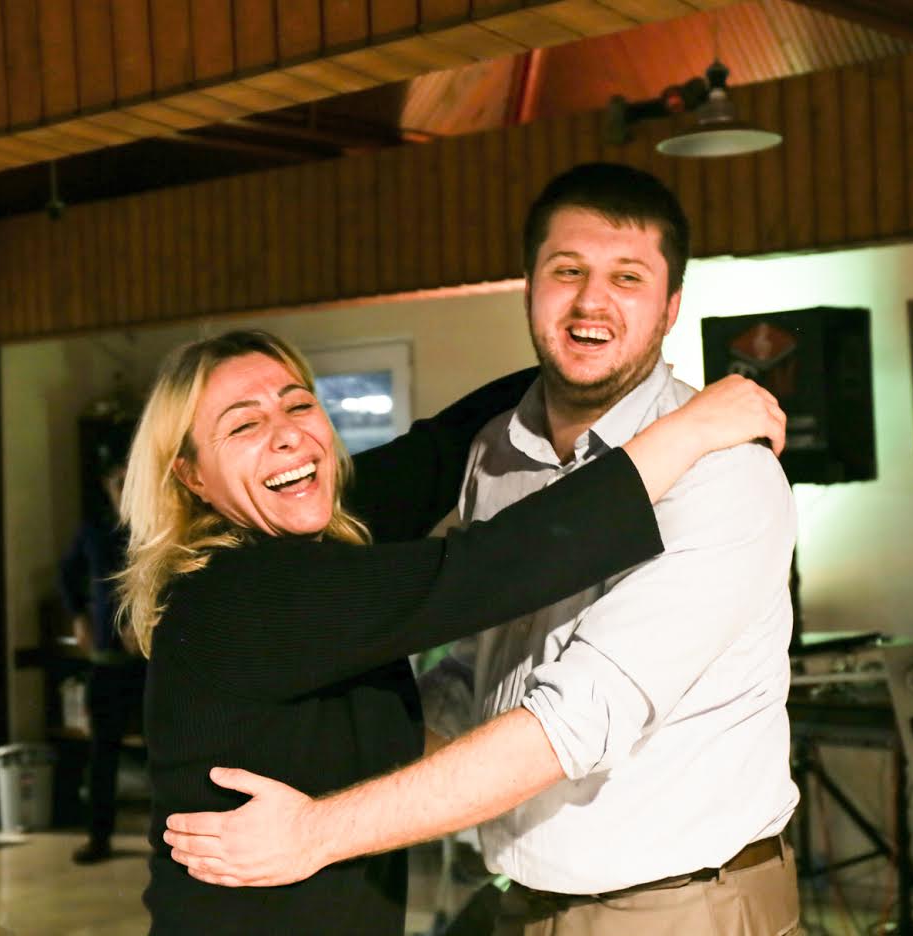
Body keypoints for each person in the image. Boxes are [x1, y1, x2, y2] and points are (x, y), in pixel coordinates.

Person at [164, 163, 802, 936]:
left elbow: (566, 720)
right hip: (513, 904)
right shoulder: (250, 581)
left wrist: (320, 828)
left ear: (671, 308)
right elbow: (484, 589)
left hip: (679, 908)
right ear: (528, 288)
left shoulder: (723, 470)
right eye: (566, 271)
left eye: (627, 278)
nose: (591, 300)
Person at [57, 454, 145, 865]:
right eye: (119, 483)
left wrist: (146, 622)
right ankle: (99, 836)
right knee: (102, 751)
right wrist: (79, 616)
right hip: (108, 657)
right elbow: (67, 575)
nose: (125, 490)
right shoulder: (95, 531)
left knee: (166, 750)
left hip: (153, 661)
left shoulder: (156, 526)